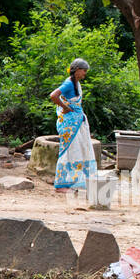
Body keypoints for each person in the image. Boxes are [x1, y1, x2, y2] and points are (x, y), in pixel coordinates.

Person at [49, 58, 97, 191]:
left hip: (75, 122)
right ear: (76, 70)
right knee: (68, 152)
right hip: (69, 124)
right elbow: (53, 95)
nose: (84, 74)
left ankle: (74, 182)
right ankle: (61, 185)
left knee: (77, 150)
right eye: (84, 71)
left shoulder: (75, 83)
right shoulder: (69, 83)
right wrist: (65, 107)